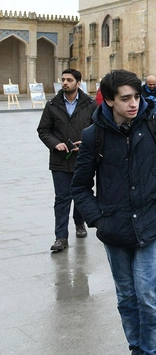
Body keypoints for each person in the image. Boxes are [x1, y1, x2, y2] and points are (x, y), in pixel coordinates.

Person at [71, 69, 156, 355]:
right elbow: (80, 186)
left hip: (152, 221)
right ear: (109, 100)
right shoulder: (95, 135)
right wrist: (98, 219)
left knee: (147, 291)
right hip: (115, 226)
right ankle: (136, 351)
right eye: (126, 98)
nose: (134, 103)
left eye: (136, 96)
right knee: (126, 296)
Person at [37, 68, 99, 252]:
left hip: (83, 159)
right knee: (62, 199)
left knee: (81, 194)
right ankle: (61, 237)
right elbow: (43, 130)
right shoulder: (53, 105)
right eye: (63, 79)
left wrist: (87, 144)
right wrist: (55, 143)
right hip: (60, 160)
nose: (65, 82)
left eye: (69, 80)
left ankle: (80, 223)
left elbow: (99, 129)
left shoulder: (90, 104)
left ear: (78, 83)